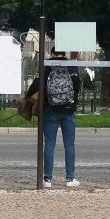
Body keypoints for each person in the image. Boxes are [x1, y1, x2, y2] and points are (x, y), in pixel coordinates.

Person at [28, 49, 81, 187]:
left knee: (49, 144)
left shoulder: (46, 66)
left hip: (50, 109)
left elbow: (36, 86)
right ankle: (70, 179)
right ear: (64, 54)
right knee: (69, 145)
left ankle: (47, 179)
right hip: (68, 109)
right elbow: (77, 86)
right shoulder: (71, 66)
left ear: (52, 54)